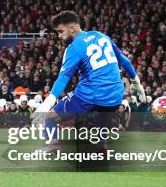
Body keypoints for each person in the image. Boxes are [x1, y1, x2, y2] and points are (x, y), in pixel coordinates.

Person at [36, 11, 146, 143]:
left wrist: (48, 102)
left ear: (72, 28)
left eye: (60, 31)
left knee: (49, 118)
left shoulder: (74, 47)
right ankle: (102, 148)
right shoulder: (101, 36)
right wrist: (136, 82)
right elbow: (125, 61)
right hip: (115, 96)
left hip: (90, 95)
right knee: (101, 122)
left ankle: (52, 146)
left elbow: (64, 77)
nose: (59, 35)